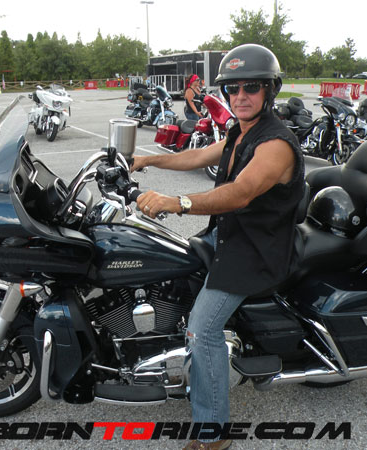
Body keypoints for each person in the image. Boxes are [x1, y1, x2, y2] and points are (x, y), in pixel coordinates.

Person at [131, 44, 304, 450]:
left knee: (202, 329)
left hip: (255, 249)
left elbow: (241, 192)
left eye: (251, 87)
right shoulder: (240, 131)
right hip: (228, 234)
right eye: (232, 88)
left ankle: (212, 434)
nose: (240, 96)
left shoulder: (275, 144)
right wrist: (146, 160)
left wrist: (177, 202)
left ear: (270, 90)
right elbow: (197, 156)